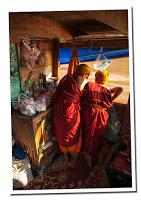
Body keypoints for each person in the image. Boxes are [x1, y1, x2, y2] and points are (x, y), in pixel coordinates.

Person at [81, 69, 123, 167]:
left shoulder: (89, 85)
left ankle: (87, 155)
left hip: (90, 113)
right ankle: (91, 155)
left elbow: (82, 97)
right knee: (97, 135)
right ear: (106, 79)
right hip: (102, 115)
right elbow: (120, 89)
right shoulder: (107, 90)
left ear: (96, 77)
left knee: (87, 134)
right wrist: (109, 102)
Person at [52, 64, 92, 165]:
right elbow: (80, 95)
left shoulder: (67, 78)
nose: (86, 78)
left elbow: (58, 92)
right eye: (87, 76)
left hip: (59, 110)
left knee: (61, 132)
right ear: (84, 74)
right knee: (74, 133)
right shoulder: (81, 80)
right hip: (71, 111)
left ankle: (65, 155)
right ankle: (74, 159)